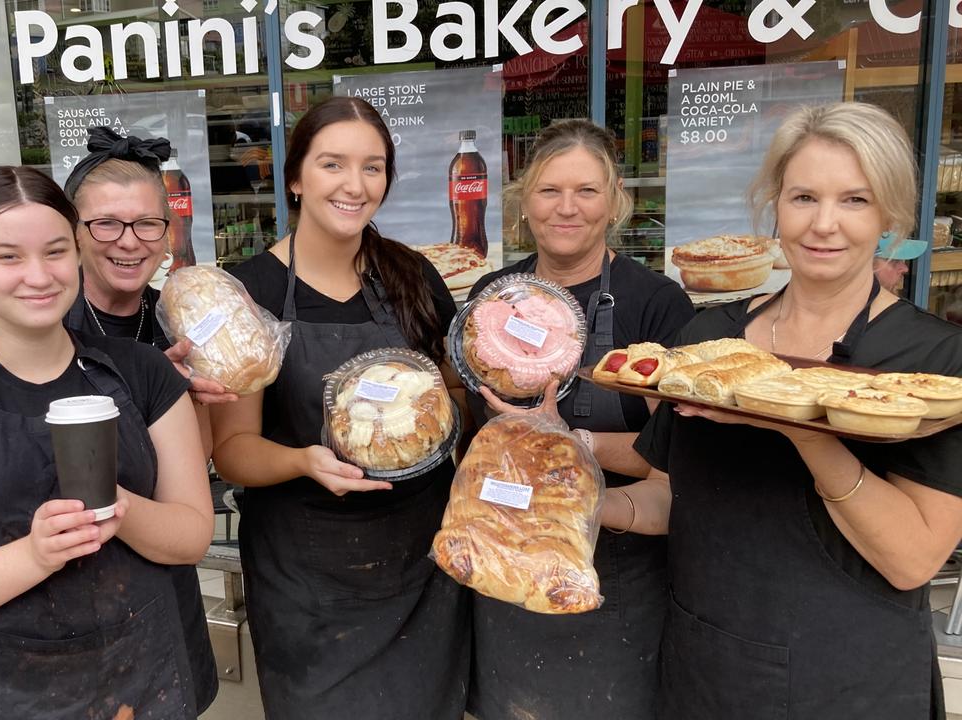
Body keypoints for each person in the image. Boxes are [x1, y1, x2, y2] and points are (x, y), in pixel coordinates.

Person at [632, 101, 962, 718]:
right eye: (804, 197)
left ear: (889, 214)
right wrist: (574, 502)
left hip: (852, 681)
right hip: (708, 667)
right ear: (774, 206)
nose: (824, 225)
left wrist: (803, 430)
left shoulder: (936, 363)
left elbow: (913, 559)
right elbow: (665, 499)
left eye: (855, 201)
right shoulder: (711, 344)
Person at [0, 165, 214, 718]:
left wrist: (118, 509)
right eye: (8, 256)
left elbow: (194, 535)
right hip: (4, 693)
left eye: (55, 251)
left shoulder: (146, 373)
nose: (39, 275)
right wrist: (35, 555)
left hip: (147, 683)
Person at [208, 96, 469, 719]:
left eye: (373, 167)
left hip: (420, 564)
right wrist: (305, 461)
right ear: (295, 177)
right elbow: (234, 451)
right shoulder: (252, 292)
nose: (355, 185)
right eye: (333, 164)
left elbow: (453, 391)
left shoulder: (410, 274)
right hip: (307, 580)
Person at [464, 119, 694, 718]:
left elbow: (669, 454)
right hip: (504, 558)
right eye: (549, 191)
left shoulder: (656, 303)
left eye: (587, 191)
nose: (567, 208)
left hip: (614, 568)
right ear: (523, 201)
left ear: (615, 198)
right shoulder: (493, 298)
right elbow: (475, 435)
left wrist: (570, 441)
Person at [62, 126, 233, 713]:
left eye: (148, 225)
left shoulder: (177, 323)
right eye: (106, 223)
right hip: (65, 587)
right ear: (73, 231)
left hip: (159, 579)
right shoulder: (44, 324)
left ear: (168, 232)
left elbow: (199, 464)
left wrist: (184, 400)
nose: (129, 242)